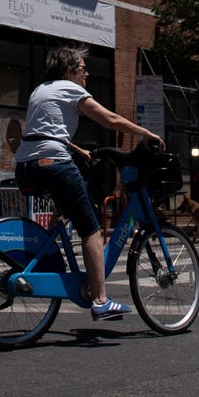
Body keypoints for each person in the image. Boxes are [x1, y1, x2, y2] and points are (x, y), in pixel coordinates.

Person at [14, 45, 164, 321]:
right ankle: (101, 300)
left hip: (25, 166)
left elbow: (45, 130)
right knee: (91, 228)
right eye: (82, 68)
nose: (86, 73)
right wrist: (144, 132)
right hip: (53, 163)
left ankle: (56, 258)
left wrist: (79, 150)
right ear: (69, 70)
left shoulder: (40, 90)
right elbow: (109, 118)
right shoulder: (70, 89)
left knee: (69, 213)